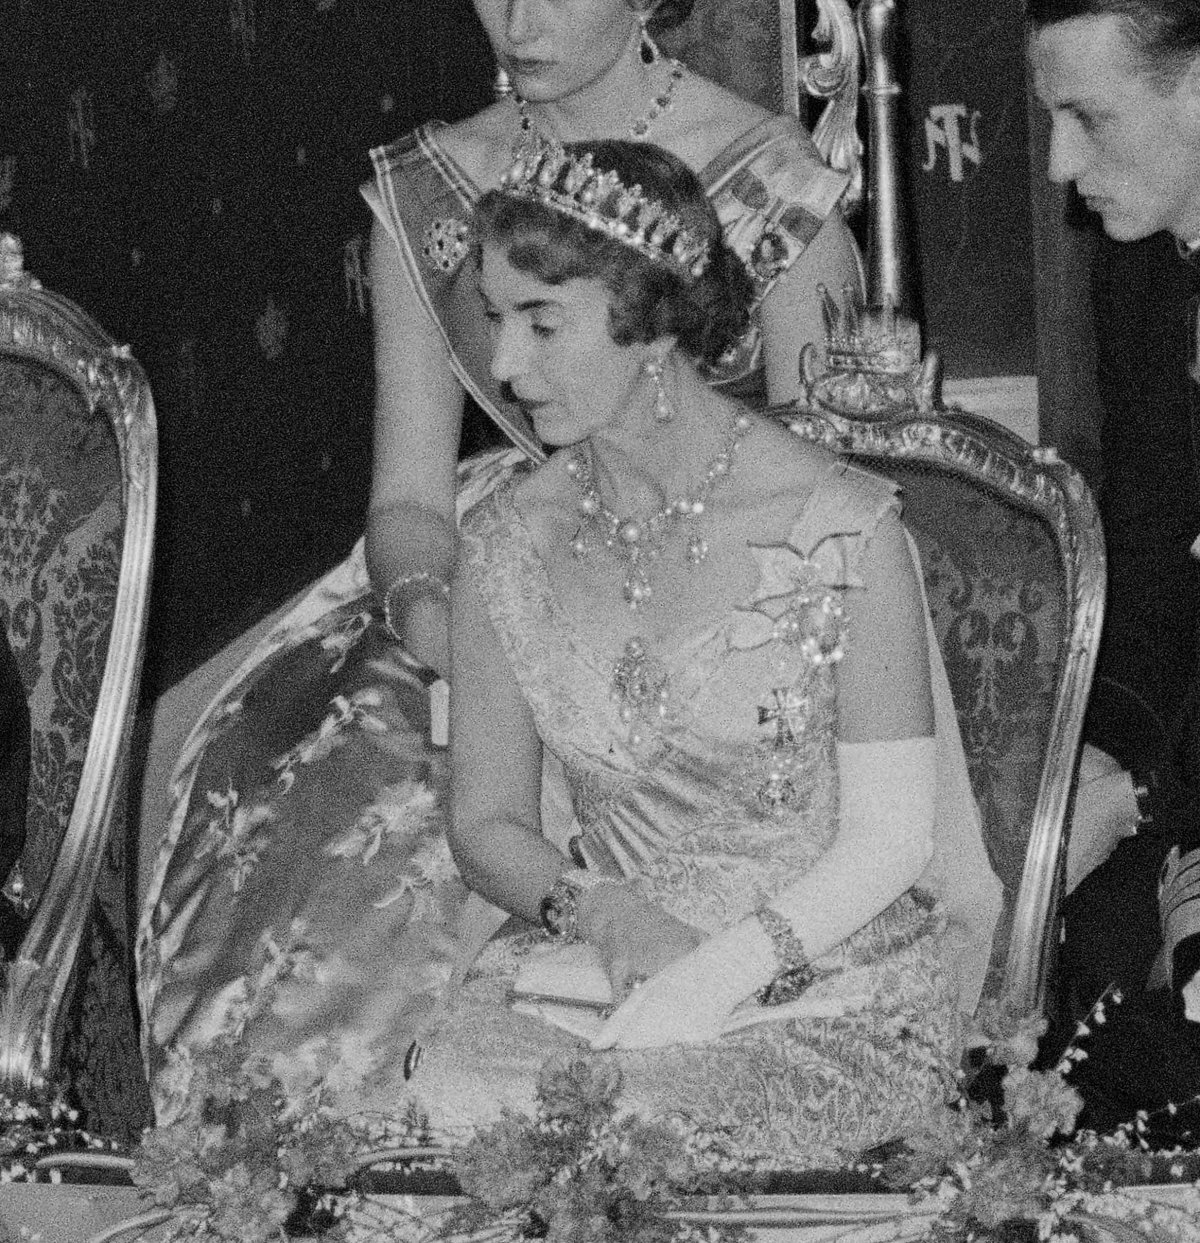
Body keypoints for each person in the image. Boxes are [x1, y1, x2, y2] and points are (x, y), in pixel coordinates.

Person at [135, 0, 863, 1104]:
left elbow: (832, 476)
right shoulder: (432, 186)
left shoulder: (770, 180)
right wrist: (444, 626)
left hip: (719, 583)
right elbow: (410, 495)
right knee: (331, 786)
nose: (520, 26)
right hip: (497, 566)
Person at [379, 138, 1001, 1166]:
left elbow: (893, 840)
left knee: (638, 1127)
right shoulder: (503, 543)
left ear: (654, 323)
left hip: (826, 981)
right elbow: (487, 823)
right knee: (459, 1091)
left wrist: (718, 972)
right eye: (496, 317)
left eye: (543, 321)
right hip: (599, 966)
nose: (504, 365)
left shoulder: (840, 529)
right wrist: (604, 912)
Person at [1025, 0, 1200, 1128]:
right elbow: (1148, 541)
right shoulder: (1137, 272)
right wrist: (1107, 765)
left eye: (1089, 118)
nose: (1059, 164)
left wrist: (1149, 796)